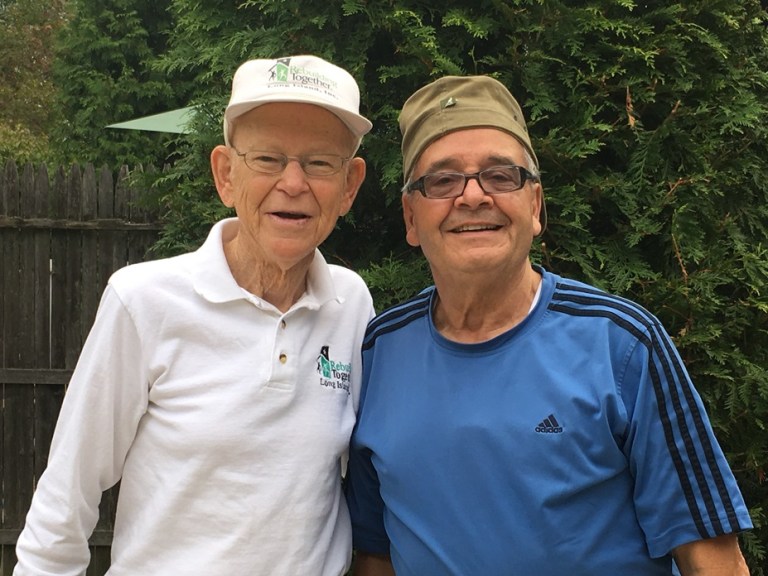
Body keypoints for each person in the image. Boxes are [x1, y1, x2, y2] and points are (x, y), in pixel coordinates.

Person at [344, 75, 753, 575]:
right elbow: (375, 554)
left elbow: (710, 556)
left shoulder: (622, 344)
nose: (473, 196)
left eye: (500, 175)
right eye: (442, 180)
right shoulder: (378, 353)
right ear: (411, 217)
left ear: (535, 206)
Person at [14, 54, 374, 575]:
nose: (293, 183)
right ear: (225, 174)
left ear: (349, 186)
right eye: (267, 159)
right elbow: (69, 490)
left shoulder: (351, 303)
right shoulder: (144, 300)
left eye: (320, 162)